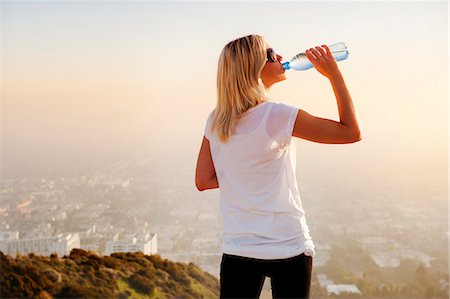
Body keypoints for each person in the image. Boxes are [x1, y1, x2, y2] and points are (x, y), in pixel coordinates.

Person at [195, 34, 362, 299]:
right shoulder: (278, 115)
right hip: (288, 246)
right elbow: (350, 132)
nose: (282, 58)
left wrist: (241, 175)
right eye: (272, 54)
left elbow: (203, 180)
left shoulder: (216, 120)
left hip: (238, 246)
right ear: (255, 68)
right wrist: (333, 74)